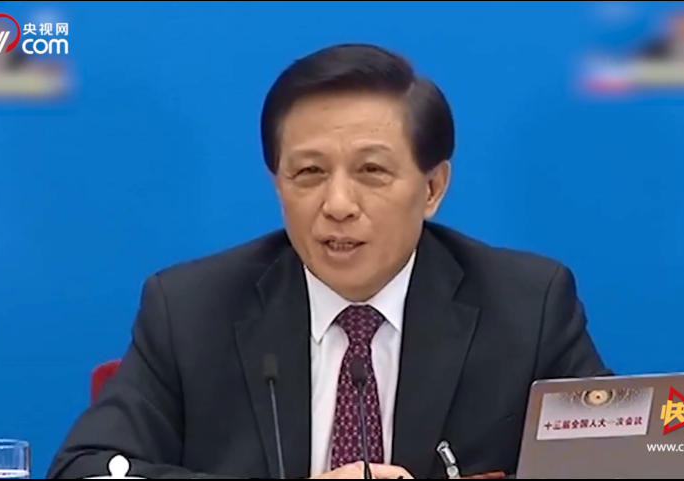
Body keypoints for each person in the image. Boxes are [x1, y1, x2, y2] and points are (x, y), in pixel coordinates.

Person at [47, 43, 611, 480]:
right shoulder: (191, 310)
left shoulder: (526, 306)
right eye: (309, 173)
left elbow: (613, 463)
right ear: (278, 184)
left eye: (372, 171)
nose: (338, 205)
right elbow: (84, 469)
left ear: (433, 187)